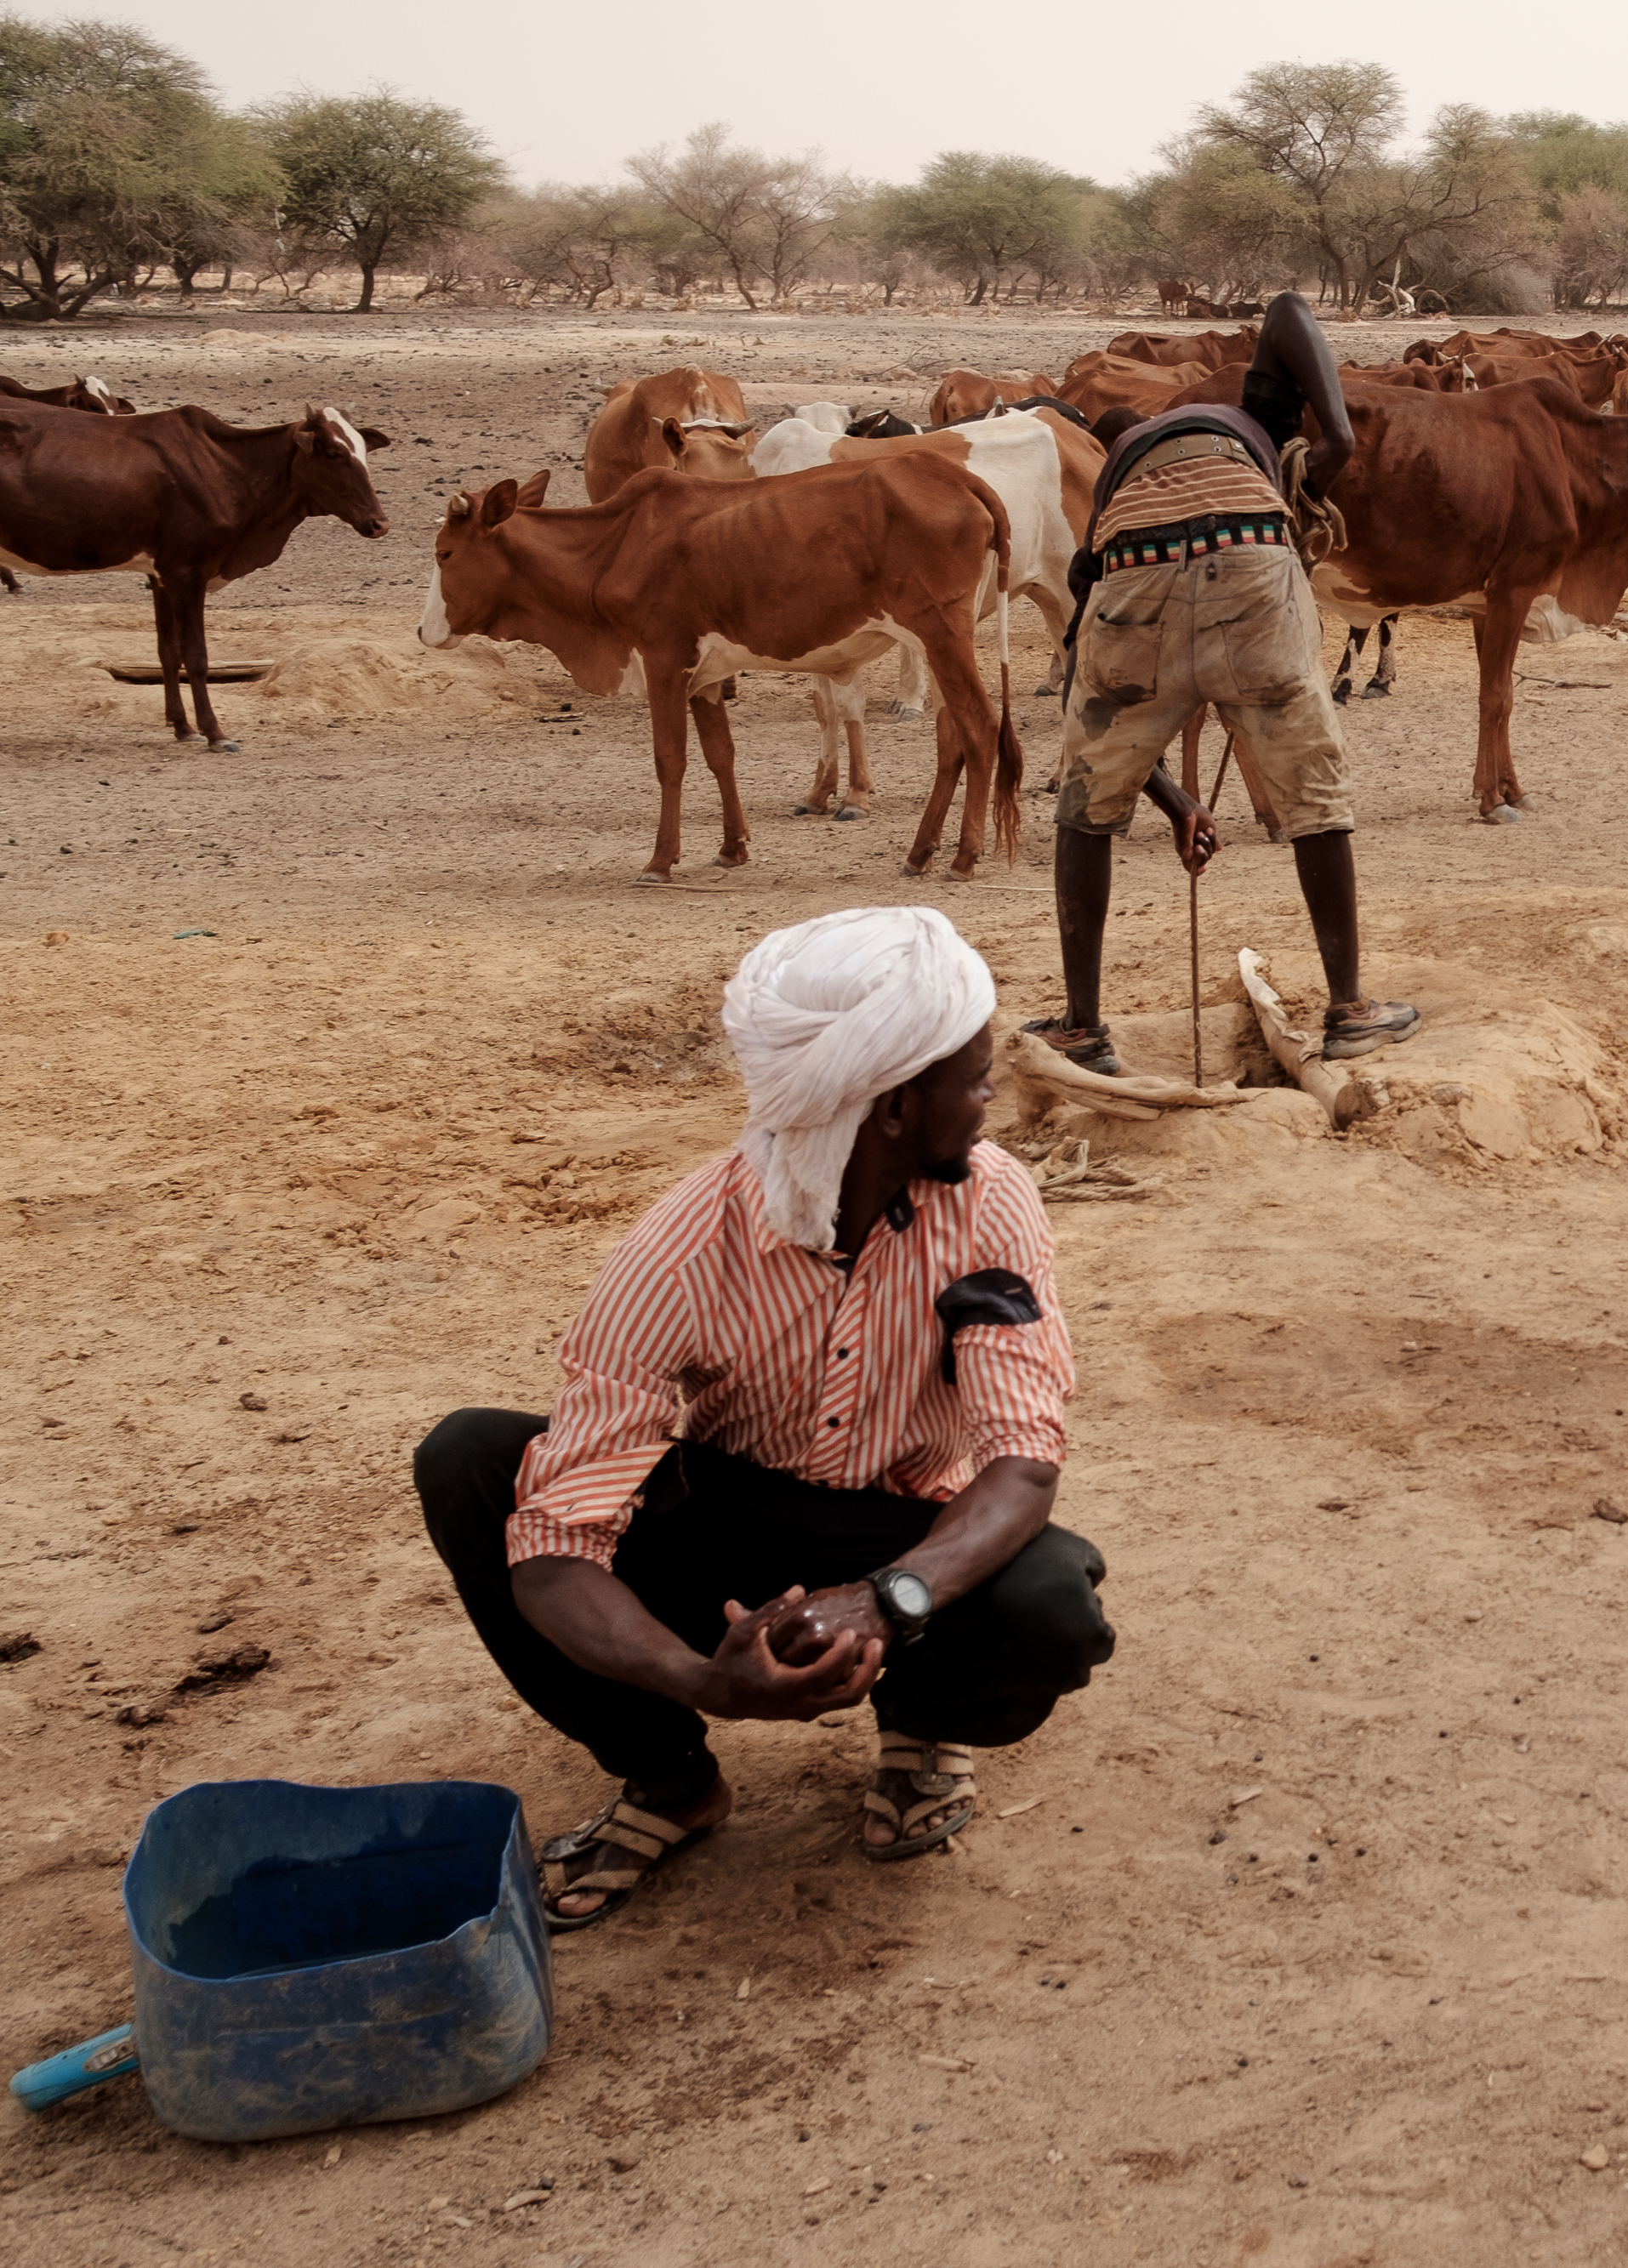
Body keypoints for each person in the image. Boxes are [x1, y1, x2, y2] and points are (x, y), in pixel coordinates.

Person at [417, 907, 1111, 1929]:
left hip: (895, 1529)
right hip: (723, 1517)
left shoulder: (989, 1202)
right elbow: (559, 1546)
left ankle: (921, 1725)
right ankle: (670, 1779)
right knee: (472, 1461)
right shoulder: (685, 1247)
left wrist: (884, 1601)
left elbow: (1020, 1465)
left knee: (1050, 1595)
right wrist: (703, 1678)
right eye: (970, 1077)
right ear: (889, 1109)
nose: (990, 1095)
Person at [1028, 288, 1419, 1074]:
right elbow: (1282, 309)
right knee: (1314, 797)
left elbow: (1097, 703)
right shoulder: (1255, 431)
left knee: (1086, 804)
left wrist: (1178, 804)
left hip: (1130, 573)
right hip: (1250, 555)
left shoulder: (1118, 478)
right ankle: (1349, 1009)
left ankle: (1083, 1025)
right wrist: (1335, 437)